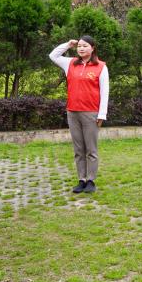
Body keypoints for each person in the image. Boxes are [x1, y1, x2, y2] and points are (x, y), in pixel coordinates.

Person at [49, 36, 110, 194]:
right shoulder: (70, 63)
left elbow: (105, 92)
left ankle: (91, 180)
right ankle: (81, 180)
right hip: (73, 112)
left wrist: (102, 114)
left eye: (85, 46)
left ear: (93, 48)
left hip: (91, 113)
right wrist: (68, 45)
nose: (81, 49)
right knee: (78, 149)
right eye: (79, 46)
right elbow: (53, 56)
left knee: (91, 149)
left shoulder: (101, 66)